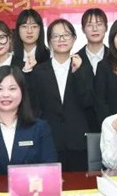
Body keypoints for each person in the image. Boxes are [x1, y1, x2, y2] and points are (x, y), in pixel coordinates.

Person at [0, 67, 58, 176]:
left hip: (30, 187)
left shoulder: (40, 128)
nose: (5, 95)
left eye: (12, 89)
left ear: (22, 91)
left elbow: (51, 172)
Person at [29, 19, 95, 172]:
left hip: (77, 141)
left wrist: (78, 73)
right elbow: (35, 107)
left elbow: (88, 101)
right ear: (49, 41)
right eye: (56, 36)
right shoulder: (39, 71)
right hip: (49, 139)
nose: (61, 40)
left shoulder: (84, 68)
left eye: (66, 35)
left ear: (74, 38)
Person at [12, 9, 50, 74]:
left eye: (34, 26)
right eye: (24, 26)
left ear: (40, 30)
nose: (29, 31)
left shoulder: (49, 56)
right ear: (18, 30)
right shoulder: (11, 58)